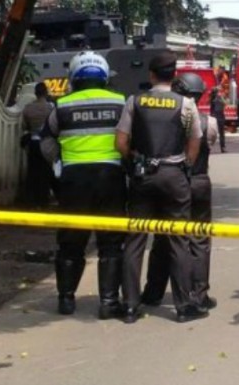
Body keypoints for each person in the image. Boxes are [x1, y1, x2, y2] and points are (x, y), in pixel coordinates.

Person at [116, 51, 207, 324]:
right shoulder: (186, 104)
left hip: (143, 176)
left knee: (135, 240)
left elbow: (120, 143)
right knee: (178, 240)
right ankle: (183, 307)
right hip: (174, 175)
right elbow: (195, 141)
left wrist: (135, 159)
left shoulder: (135, 101)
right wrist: (185, 166)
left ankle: (130, 306)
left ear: (151, 75)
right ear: (174, 74)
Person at [40, 51, 127, 318]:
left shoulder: (61, 105)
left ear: (74, 76)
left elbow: (46, 141)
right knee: (111, 242)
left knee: (70, 241)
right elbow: (130, 138)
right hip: (111, 177)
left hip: (73, 181)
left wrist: (60, 162)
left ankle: (66, 299)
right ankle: (109, 302)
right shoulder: (121, 102)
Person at [141, 72, 218, 310]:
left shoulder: (161, 120)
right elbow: (208, 144)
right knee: (199, 240)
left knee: (163, 238)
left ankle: (153, 292)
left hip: (171, 182)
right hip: (199, 180)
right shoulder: (209, 122)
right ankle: (198, 294)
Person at [21, 81, 55, 208]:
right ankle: (43, 199)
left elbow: (24, 126)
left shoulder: (28, 108)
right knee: (45, 172)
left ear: (35, 93)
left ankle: (31, 200)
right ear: (46, 93)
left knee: (32, 172)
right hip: (47, 144)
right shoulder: (50, 108)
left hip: (33, 143)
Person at [210, 85, 226, 153]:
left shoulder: (212, 99)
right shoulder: (219, 99)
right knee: (221, 133)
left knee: (212, 133)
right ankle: (223, 147)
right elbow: (225, 104)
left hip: (214, 117)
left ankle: (209, 147)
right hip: (220, 117)